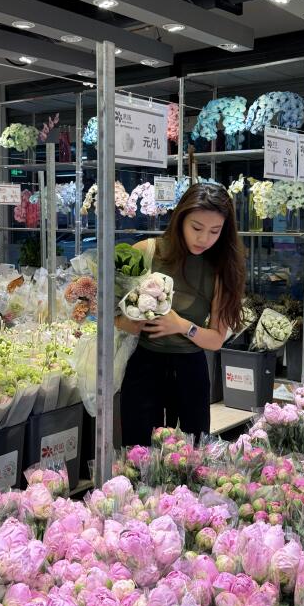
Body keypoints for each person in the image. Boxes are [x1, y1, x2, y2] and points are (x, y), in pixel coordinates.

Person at [117, 182, 246, 446]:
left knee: (191, 455)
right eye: (196, 228)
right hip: (144, 366)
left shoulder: (220, 268)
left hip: (190, 371)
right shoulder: (148, 251)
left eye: (215, 231)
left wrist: (182, 325)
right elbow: (106, 310)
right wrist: (127, 323)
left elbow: (216, 340)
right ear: (180, 220)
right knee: (137, 453)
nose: (204, 239)